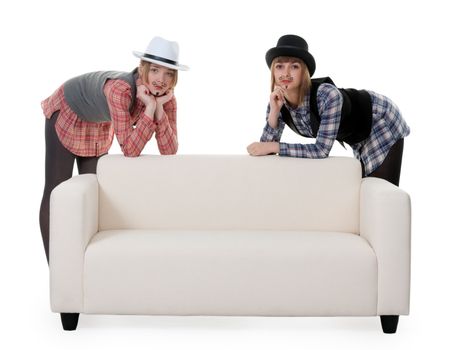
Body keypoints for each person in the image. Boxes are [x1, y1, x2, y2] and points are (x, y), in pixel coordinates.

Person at [39, 36, 188, 263]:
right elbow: (129, 148)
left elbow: (169, 151)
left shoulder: (166, 99)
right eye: (156, 70)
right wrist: (148, 110)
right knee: (57, 192)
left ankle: (81, 265)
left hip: (99, 124)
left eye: (169, 74)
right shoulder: (121, 90)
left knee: (91, 196)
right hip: (69, 112)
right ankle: (57, 271)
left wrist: (157, 109)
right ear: (143, 68)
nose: (161, 80)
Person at [247, 34, 410, 187]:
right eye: (280, 66)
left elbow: (321, 150)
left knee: (379, 192)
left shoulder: (327, 95)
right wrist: (274, 113)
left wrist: (276, 147)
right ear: (273, 72)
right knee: (362, 191)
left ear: (304, 72)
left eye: (294, 66)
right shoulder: (277, 101)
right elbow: (264, 149)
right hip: (356, 135)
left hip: (380, 119)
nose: (286, 73)